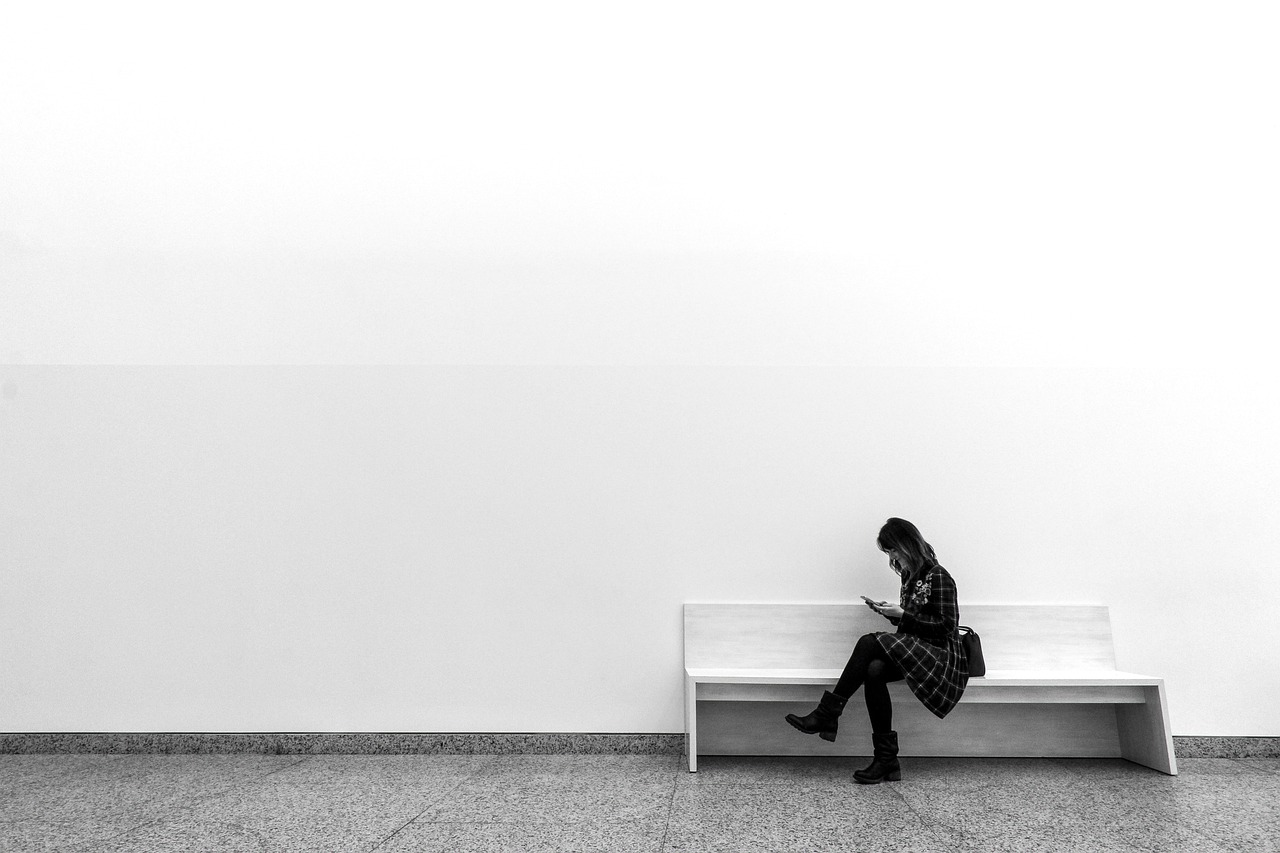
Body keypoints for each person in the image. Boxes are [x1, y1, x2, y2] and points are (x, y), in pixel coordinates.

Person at [785, 517, 969, 783]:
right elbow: (915, 620)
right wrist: (893, 613)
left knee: (868, 642)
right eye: (888, 552)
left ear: (907, 545)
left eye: (893, 549)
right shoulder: (910, 575)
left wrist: (903, 615)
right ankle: (886, 761)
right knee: (874, 670)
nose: (892, 556)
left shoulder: (938, 575)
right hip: (918, 649)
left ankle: (826, 715)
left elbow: (947, 626)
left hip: (940, 656)